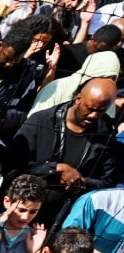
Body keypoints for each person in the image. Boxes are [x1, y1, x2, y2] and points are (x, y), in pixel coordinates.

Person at [8, 77, 119, 227]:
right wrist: (55, 169)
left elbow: (107, 182)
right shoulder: (42, 121)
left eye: (101, 111)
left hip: (61, 219)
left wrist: (80, 181)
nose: (94, 116)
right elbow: (11, 167)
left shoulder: (105, 135)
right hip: (19, 215)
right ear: (78, 98)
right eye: (91, 109)